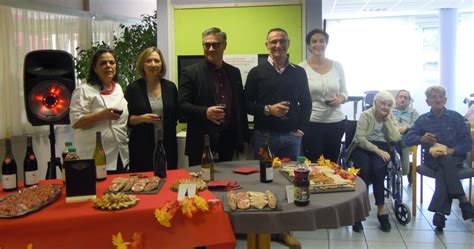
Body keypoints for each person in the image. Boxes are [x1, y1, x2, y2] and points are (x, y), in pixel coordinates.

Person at [243, 28, 311, 249]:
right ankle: (265, 230)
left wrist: (301, 128)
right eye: (273, 42)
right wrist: (268, 109)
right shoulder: (257, 72)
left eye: (282, 41)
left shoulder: (298, 72)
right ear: (267, 45)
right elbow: (246, 104)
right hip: (264, 136)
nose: (278, 45)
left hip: (292, 137)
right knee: (264, 181)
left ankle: (285, 230)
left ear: (288, 44)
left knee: (290, 182)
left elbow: (307, 103)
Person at [404, 86, 474, 232]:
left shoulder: (456, 117)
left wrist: (452, 150)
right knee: (445, 163)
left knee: (446, 163)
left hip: (455, 158)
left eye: (441, 96)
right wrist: (422, 138)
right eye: (433, 97)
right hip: (432, 160)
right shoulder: (422, 119)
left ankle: (440, 213)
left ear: (445, 100)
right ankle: (463, 200)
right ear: (427, 101)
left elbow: (468, 143)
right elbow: (408, 139)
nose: (437, 99)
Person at [178, 27, 250, 166]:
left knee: (227, 184)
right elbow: (181, 105)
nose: (211, 48)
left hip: (228, 141)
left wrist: (244, 139)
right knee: (201, 185)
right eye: (207, 45)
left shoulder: (234, 72)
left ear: (224, 45)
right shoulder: (190, 73)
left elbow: (239, 108)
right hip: (200, 142)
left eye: (215, 44)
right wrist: (205, 112)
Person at [345, 91, 401, 233]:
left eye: (389, 105)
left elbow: (395, 138)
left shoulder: (390, 117)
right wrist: (377, 150)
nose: (385, 107)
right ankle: (358, 214)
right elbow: (360, 138)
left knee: (378, 171)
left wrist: (387, 121)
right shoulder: (366, 115)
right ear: (375, 103)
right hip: (363, 147)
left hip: (382, 147)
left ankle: (381, 211)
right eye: (382, 103)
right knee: (364, 170)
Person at [69, 47, 129, 173]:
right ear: (95, 69)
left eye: (112, 63)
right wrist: (101, 115)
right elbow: (76, 122)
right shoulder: (83, 90)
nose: (108, 66)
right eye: (103, 63)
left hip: (119, 153)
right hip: (93, 155)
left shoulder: (118, 88)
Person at [125, 47, 178, 172]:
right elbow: (126, 119)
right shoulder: (133, 89)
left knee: (168, 181)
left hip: (168, 146)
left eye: (156, 61)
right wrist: (142, 118)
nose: (153, 64)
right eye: (149, 61)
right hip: (141, 146)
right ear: (142, 65)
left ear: (161, 64)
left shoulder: (170, 87)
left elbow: (176, 115)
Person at [298, 28, 348, 163]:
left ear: (326, 44)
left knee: (332, 163)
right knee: (313, 162)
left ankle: (332, 185)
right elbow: (298, 98)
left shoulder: (337, 66)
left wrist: (340, 99)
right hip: (312, 122)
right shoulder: (301, 68)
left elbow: (344, 92)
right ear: (308, 45)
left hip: (336, 122)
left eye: (322, 41)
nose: (318, 44)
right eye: (314, 41)